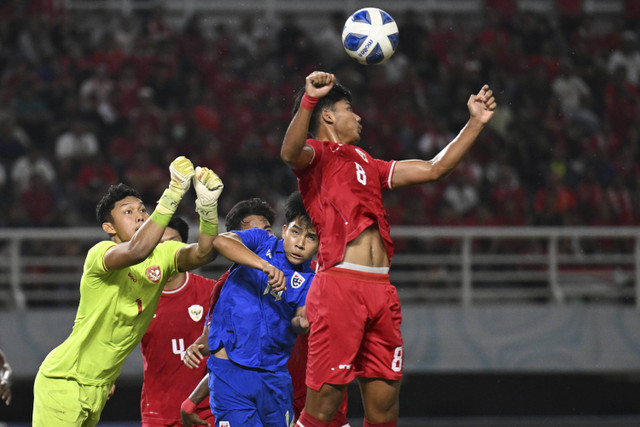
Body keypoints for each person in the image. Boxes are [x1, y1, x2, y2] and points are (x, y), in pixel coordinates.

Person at [280, 71, 496, 426]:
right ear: (329, 115)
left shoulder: (368, 162)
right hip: (340, 288)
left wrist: (474, 123)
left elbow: (434, 168)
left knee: (384, 413)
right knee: (322, 410)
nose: (359, 116)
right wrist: (308, 100)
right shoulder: (317, 156)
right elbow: (289, 152)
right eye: (350, 109)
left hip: (381, 291)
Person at [31, 157, 270, 426]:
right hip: (65, 380)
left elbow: (204, 253)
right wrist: (174, 191)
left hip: (98, 388)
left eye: (142, 209)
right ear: (109, 228)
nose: (140, 214)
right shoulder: (101, 254)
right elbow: (136, 250)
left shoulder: (163, 255)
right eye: (128, 211)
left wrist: (207, 207)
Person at [181, 199, 350, 427]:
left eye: (310, 238)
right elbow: (221, 241)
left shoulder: (312, 280)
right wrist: (265, 266)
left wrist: (305, 320)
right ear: (284, 230)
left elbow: (302, 318)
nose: (300, 243)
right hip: (230, 375)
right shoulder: (262, 242)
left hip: (276, 379)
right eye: (296, 232)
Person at [139, 216, 216, 427]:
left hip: (207, 412)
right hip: (158, 413)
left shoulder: (212, 291)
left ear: (186, 249)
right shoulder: (139, 298)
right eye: (159, 244)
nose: (166, 251)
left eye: (173, 243)